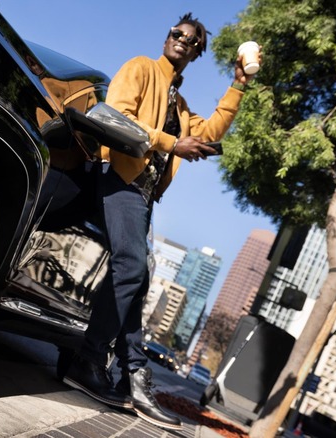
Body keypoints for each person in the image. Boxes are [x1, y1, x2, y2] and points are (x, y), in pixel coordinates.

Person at [62, 13, 259, 430]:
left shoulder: (180, 104)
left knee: (139, 279)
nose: (182, 42)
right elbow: (115, 116)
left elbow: (208, 133)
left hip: (143, 193)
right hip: (117, 176)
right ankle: (89, 360)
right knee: (131, 267)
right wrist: (172, 142)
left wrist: (239, 84)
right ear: (168, 37)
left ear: (197, 53)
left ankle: (132, 374)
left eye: (192, 41)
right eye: (178, 34)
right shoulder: (141, 67)